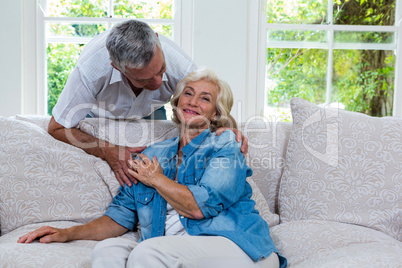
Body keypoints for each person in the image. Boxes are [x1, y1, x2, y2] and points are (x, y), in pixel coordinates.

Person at [18, 68, 286, 268]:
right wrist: (67, 233)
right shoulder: (154, 153)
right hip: (173, 246)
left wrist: (156, 179)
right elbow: (120, 216)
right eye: (188, 94)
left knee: (149, 253)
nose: (192, 102)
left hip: (238, 247)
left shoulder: (224, 145)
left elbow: (197, 208)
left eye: (204, 99)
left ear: (216, 113)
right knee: (108, 251)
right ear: (176, 103)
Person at [47, 19, 247, 187]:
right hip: (99, 114)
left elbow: (208, 103)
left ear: (158, 41)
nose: (159, 82)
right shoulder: (90, 70)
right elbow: (56, 127)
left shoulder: (180, 65)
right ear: (116, 67)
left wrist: (229, 129)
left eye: (161, 70)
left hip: (151, 110)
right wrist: (107, 149)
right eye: (144, 80)